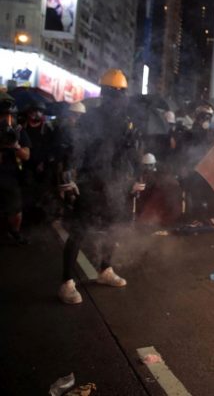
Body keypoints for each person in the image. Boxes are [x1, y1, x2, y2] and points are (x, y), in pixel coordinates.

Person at [58, 69, 142, 304]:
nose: (118, 98)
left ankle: (105, 269)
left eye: (121, 93)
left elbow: (128, 155)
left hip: (114, 183)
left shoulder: (126, 122)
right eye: (114, 93)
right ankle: (66, 282)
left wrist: (134, 173)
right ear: (105, 94)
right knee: (79, 231)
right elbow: (77, 148)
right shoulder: (90, 118)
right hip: (90, 182)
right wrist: (69, 176)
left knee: (112, 228)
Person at [0, 96, 31, 244]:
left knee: (16, 210)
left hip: (11, 177)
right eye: (3, 115)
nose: (7, 119)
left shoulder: (18, 132)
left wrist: (15, 146)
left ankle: (15, 233)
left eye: (10, 115)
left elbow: (26, 155)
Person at [20, 99, 55, 225]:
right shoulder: (22, 127)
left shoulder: (47, 129)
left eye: (40, 111)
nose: (37, 113)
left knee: (41, 193)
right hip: (26, 164)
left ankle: (37, 218)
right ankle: (26, 217)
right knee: (27, 190)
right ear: (29, 112)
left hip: (42, 166)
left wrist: (44, 162)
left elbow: (51, 147)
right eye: (35, 111)